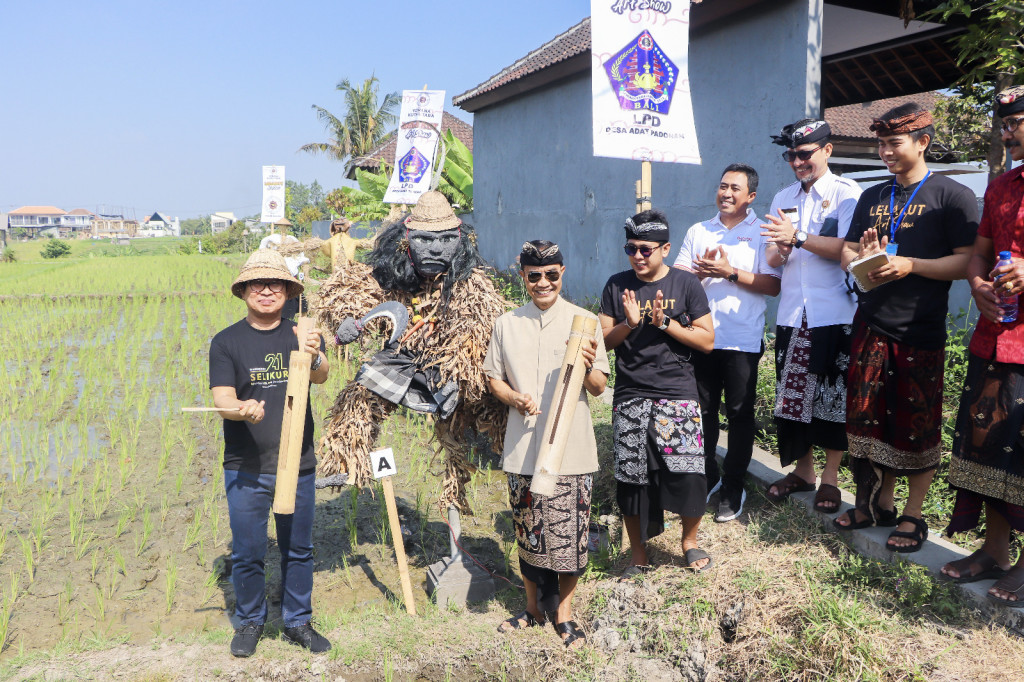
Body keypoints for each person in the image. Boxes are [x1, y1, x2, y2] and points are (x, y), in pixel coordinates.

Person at [838, 102, 978, 552]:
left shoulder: (951, 195)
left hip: (919, 327)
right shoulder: (872, 197)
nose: (884, 152)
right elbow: (846, 250)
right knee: (864, 418)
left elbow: (967, 261)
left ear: (923, 142)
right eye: (880, 144)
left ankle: (913, 514)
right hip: (870, 321)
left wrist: (909, 264)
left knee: (916, 420)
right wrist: (860, 261)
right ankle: (872, 502)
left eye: (893, 143)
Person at [485, 240, 610, 647]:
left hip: (570, 448)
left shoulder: (584, 321)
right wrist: (515, 398)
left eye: (551, 275)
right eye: (534, 275)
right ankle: (533, 609)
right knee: (528, 531)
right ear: (523, 276)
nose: (543, 283)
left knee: (569, 534)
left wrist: (588, 363)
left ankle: (565, 614)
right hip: (523, 444)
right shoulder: (506, 323)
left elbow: (598, 387)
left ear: (563, 273)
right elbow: (493, 378)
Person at [209, 249, 331, 657]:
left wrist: (312, 351)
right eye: (257, 284)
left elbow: (322, 374)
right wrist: (241, 409)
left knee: (299, 547)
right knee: (247, 552)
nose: (266, 291)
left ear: (287, 291)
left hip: (298, 463)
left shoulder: (302, 331)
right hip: (246, 466)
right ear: (243, 291)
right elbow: (223, 398)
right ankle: (249, 621)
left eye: (274, 283)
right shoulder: (226, 341)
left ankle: (298, 621)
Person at [941, 84, 1024, 605]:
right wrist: (977, 287)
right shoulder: (1002, 186)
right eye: (1006, 123)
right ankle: (994, 551)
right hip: (994, 336)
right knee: (984, 444)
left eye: (1017, 122)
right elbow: (979, 255)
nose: (1008, 130)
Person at [600, 210, 715, 573]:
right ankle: (638, 554)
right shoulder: (616, 285)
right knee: (631, 476)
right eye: (630, 248)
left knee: (689, 470)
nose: (637, 256)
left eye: (646, 249)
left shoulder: (686, 284)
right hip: (631, 392)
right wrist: (628, 324)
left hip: (677, 390)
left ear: (665, 248)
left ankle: (689, 542)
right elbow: (602, 342)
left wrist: (664, 323)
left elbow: (707, 340)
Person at [760, 119, 862, 513]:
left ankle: (831, 478)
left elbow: (849, 248)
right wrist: (783, 247)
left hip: (834, 311)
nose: (798, 162)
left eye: (805, 154)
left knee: (833, 397)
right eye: (791, 156)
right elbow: (771, 256)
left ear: (827, 150)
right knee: (794, 397)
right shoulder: (782, 197)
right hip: (792, 313)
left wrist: (798, 237)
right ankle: (803, 472)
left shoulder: (846, 194)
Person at [673, 165, 782, 522]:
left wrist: (729, 272)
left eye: (735, 188)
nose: (726, 193)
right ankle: (708, 477)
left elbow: (773, 285)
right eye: (722, 186)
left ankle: (734, 486)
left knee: (739, 415)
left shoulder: (763, 232)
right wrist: (699, 275)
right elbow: (679, 282)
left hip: (742, 340)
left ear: (750, 196)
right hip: (702, 339)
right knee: (701, 412)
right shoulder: (698, 230)